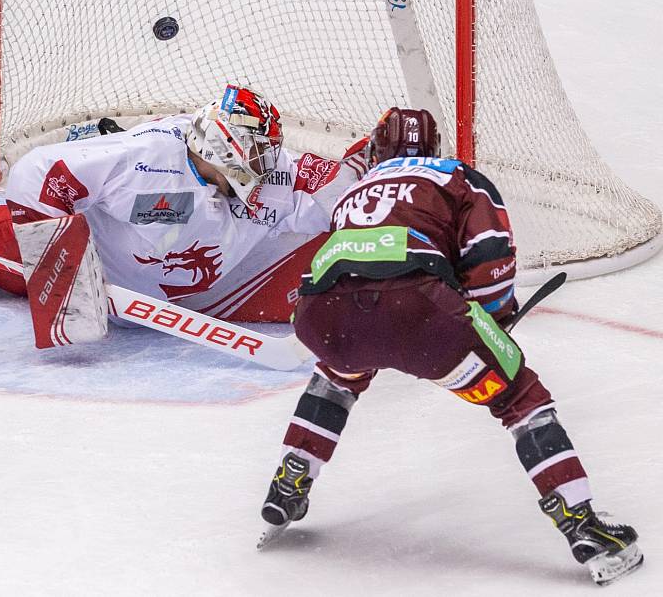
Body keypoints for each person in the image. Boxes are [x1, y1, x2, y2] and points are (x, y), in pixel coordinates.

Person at [258, 107, 643, 585]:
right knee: (520, 400)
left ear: (379, 150)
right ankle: (582, 524)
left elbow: (356, 267)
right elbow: (488, 256)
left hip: (321, 315)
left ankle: (290, 482)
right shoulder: (458, 177)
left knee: (337, 376)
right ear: (434, 149)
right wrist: (494, 322)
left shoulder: (356, 190)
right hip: (419, 316)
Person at [0, 84, 355, 322]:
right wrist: (64, 281)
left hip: (200, 297)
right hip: (97, 274)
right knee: (5, 246)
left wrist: (380, 162)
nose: (266, 163)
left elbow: (341, 188)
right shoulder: (147, 158)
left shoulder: (274, 175)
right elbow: (37, 173)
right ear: (224, 145)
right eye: (258, 152)